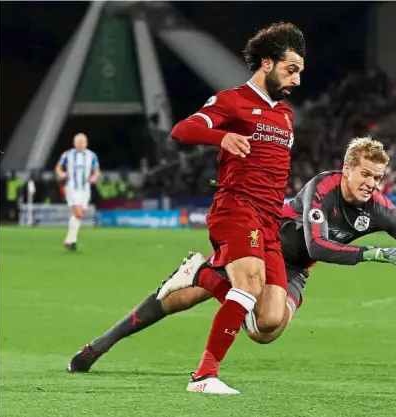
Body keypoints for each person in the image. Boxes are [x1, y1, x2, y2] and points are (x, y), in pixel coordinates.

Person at [68, 137, 396, 382]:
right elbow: (316, 245)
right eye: (365, 174)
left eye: (378, 177)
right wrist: (374, 253)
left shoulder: (382, 211)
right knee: (179, 300)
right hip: (263, 246)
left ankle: (200, 274)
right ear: (347, 169)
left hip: (294, 270)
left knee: (266, 330)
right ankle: (96, 347)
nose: (372, 183)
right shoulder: (322, 187)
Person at [164, 22, 305, 394]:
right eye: (291, 69)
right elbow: (182, 130)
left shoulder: (286, 115)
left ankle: (203, 274)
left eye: (300, 72)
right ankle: (203, 376)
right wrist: (221, 136)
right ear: (266, 64)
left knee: (268, 324)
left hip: (270, 221)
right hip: (236, 208)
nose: (297, 80)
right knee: (249, 282)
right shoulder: (232, 100)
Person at [55, 133, 100, 250]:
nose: (80, 144)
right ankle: (70, 239)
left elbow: (96, 171)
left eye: (82, 142)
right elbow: (59, 167)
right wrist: (62, 174)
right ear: (74, 143)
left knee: (79, 215)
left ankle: (71, 240)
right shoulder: (68, 155)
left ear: (86, 143)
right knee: (78, 213)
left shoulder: (91, 156)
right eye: (78, 142)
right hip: (72, 187)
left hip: (85, 188)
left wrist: (94, 177)